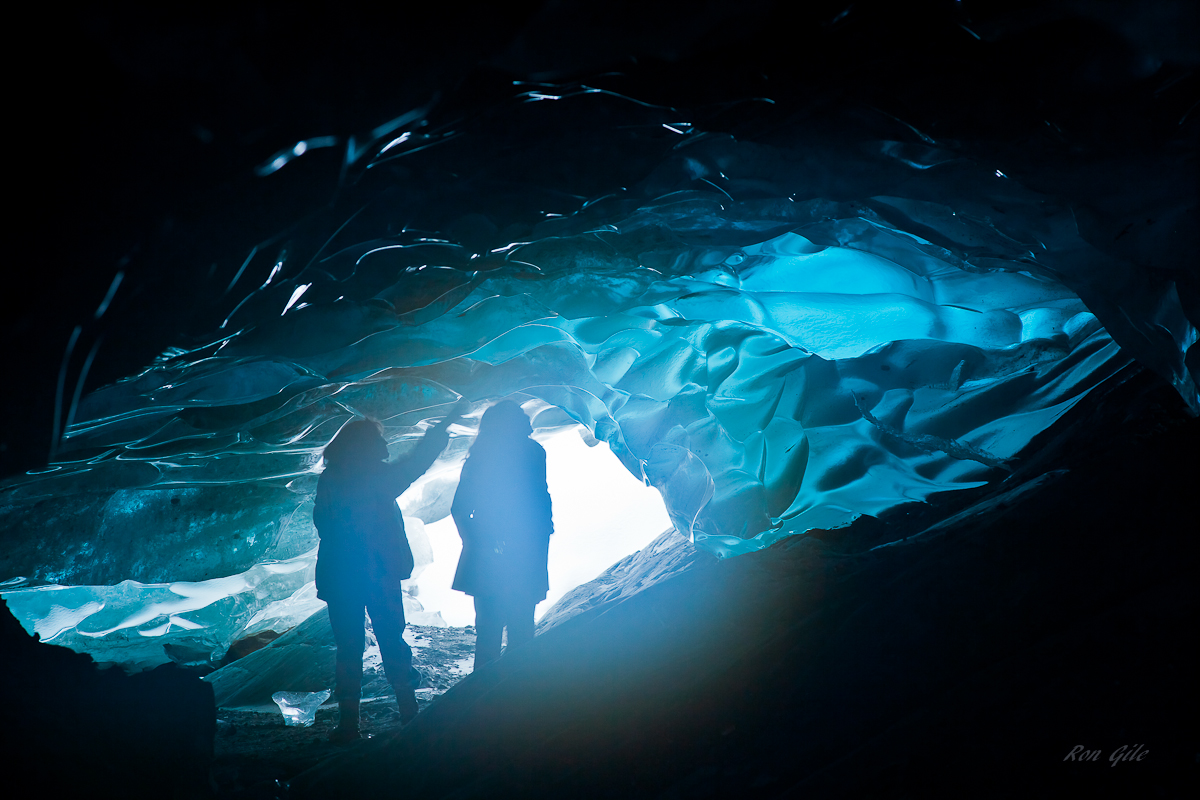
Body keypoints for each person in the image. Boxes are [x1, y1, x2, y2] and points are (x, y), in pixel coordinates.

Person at [312, 403, 463, 742]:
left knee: (347, 647)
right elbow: (414, 465)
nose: (386, 447)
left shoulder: (332, 477)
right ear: (364, 446)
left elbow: (322, 522)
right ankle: (409, 711)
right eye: (379, 441)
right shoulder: (373, 478)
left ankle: (349, 723)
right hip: (377, 573)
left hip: (340, 576)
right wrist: (443, 428)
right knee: (391, 639)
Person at [451, 400, 554, 671]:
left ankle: (482, 699)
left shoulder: (481, 458)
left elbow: (460, 508)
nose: (526, 421)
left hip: (492, 554)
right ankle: (521, 694)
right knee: (521, 626)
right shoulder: (533, 452)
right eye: (520, 416)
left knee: (489, 628)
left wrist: (476, 543)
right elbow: (539, 500)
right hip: (526, 549)